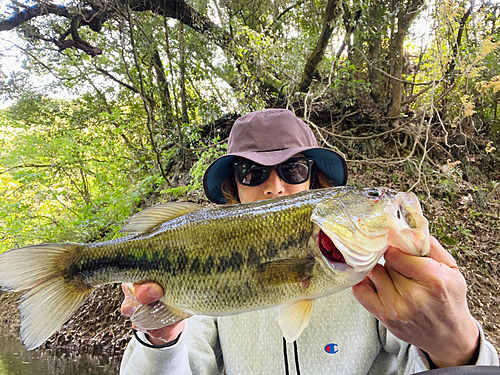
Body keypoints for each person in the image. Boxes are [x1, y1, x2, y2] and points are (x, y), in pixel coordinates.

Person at [120, 109, 498, 374]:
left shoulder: (378, 279)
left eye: (293, 169)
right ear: (232, 187)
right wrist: (161, 338)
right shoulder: (201, 286)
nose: (275, 187)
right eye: (252, 173)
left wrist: (457, 348)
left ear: (314, 180)